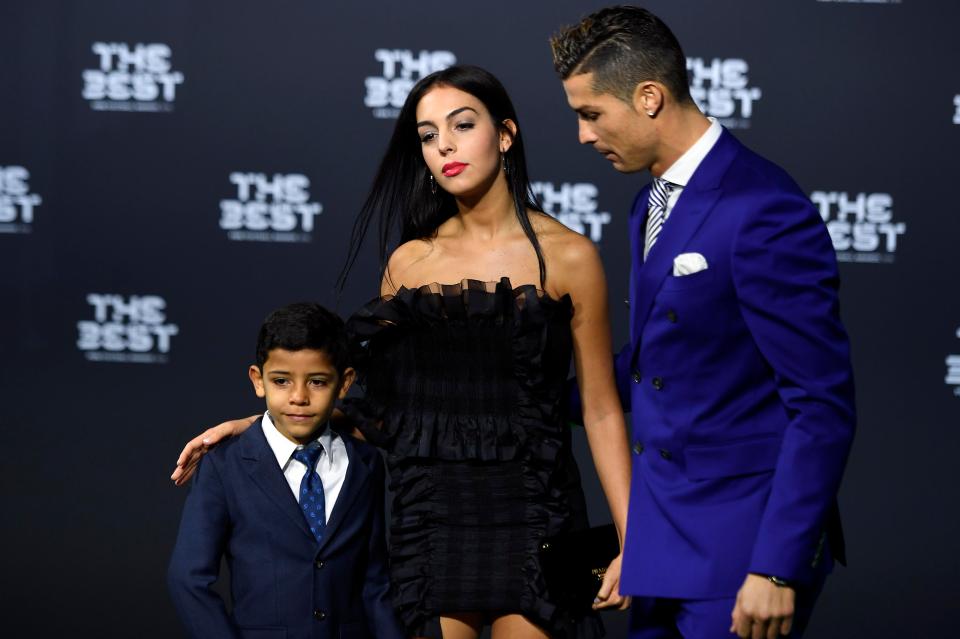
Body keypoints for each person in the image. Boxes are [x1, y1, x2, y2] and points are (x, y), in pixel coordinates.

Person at [171, 66, 632, 639]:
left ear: (506, 134)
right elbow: (386, 406)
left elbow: (602, 408)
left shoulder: (569, 258)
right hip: (431, 519)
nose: (445, 146)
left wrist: (635, 540)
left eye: (462, 125)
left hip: (538, 515)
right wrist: (255, 424)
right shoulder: (409, 264)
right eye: (428, 134)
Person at [550, 6, 857, 639]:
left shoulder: (764, 208)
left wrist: (775, 569)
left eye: (590, 114)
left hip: (744, 550)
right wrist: (533, 395)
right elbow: (665, 359)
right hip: (662, 544)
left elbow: (822, 405)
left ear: (650, 97)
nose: (582, 135)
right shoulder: (649, 202)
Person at [167, 302, 402, 639]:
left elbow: (375, 581)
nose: (299, 397)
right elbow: (188, 579)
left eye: (318, 382)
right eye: (281, 381)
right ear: (258, 381)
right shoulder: (226, 463)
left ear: (345, 383)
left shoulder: (365, 463)